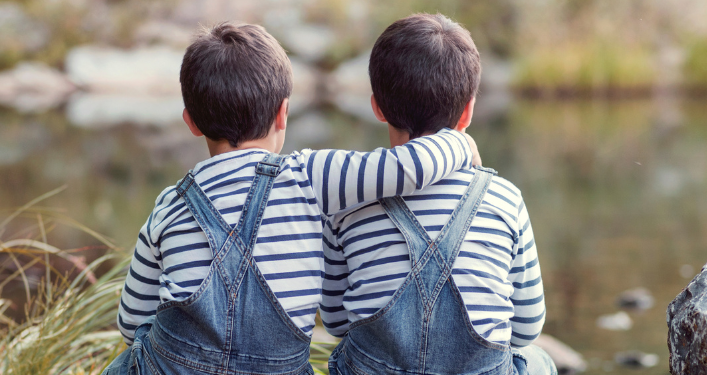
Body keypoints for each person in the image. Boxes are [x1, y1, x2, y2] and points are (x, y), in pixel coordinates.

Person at [103, 22, 479, 375]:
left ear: (191, 121)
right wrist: (461, 141)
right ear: (283, 113)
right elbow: (409, 167)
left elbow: (132, 320)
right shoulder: (311, 176)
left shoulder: (171, 203)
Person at [320, 14, 555, 375]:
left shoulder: (347, 202)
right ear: (468, 112)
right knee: (540, 361)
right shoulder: (505, 199)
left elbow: (335, 323)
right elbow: (526, 328)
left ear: (377, 107)